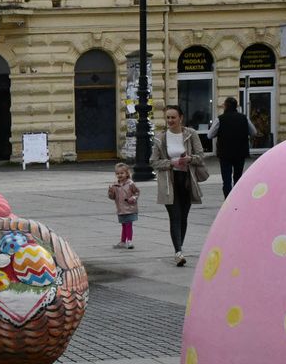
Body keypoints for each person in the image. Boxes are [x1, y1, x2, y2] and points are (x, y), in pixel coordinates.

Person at [151, 104, 206, 266]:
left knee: (183, 217)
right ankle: (178, 251)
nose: (170, 120)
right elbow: (153, 162)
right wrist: (171, 163)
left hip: (187, 181)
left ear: (180, 118)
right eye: (167, 117)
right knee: (174, 217)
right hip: (170, 182)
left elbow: (201, 156)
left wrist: (189, 159)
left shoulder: (191, 134)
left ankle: (179, 248)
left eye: (173, 117)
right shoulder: (160, 138)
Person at [207, 96, 259, 197]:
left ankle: (228, 200)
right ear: (236, 106)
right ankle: (237, 198)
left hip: (225, 153)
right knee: (238, 178)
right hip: (240, 152)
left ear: (225, 106)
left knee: (226, 180)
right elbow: (254, 132)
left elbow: (210, 135)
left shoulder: (220, 119)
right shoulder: (244, 118)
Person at [107, 162, 140, 249]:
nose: (120, 175)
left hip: (130, 208)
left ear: (127, 173)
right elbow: (112, 197)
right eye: (117, 173)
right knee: (124, 225)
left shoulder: (130, 184)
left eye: (122, 173)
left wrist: (133, 198)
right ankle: (122, 241)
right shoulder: (115, 185)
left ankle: (129, 241)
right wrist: (110, 192)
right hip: (121, 209)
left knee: (128, 224)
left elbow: (137, 192)